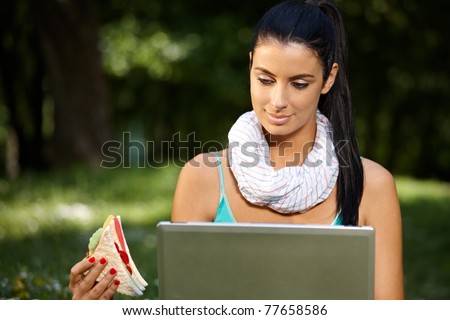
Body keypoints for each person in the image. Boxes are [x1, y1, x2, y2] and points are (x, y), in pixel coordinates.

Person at [69, 0, 404, 299]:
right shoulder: (202, 179)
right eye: (265, 79)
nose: (278, 101)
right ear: (250, 67)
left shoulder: (371, 185)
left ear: (328, 79)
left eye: (299, 84)